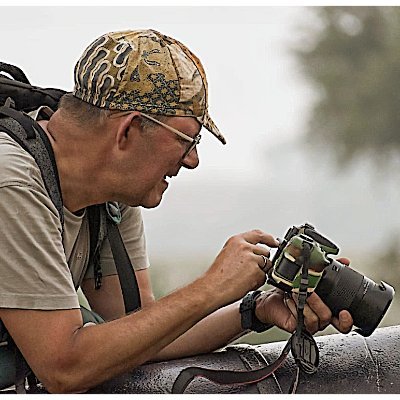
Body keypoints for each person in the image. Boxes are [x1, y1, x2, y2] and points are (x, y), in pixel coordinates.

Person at [0, 29, 353, 393]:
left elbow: (140, 333)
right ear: (129, 130)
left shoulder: (110, 194)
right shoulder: (12, 183)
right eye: (187, 140)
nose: (193, 160)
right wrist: (212, 287)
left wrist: (255, 309)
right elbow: (65, 367)